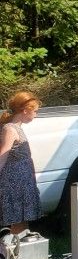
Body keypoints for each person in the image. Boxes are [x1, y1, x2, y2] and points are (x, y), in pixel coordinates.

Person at [0, 91, 42, 234]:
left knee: (23, 221)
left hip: (23, 182)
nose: (36, 114)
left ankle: (21, 250)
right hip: (15, 184)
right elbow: (3, 155)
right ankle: (16, 252)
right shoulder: (10, 129)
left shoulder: (17, 128)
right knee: (18, 222)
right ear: (25, 111)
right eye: (35, 111)